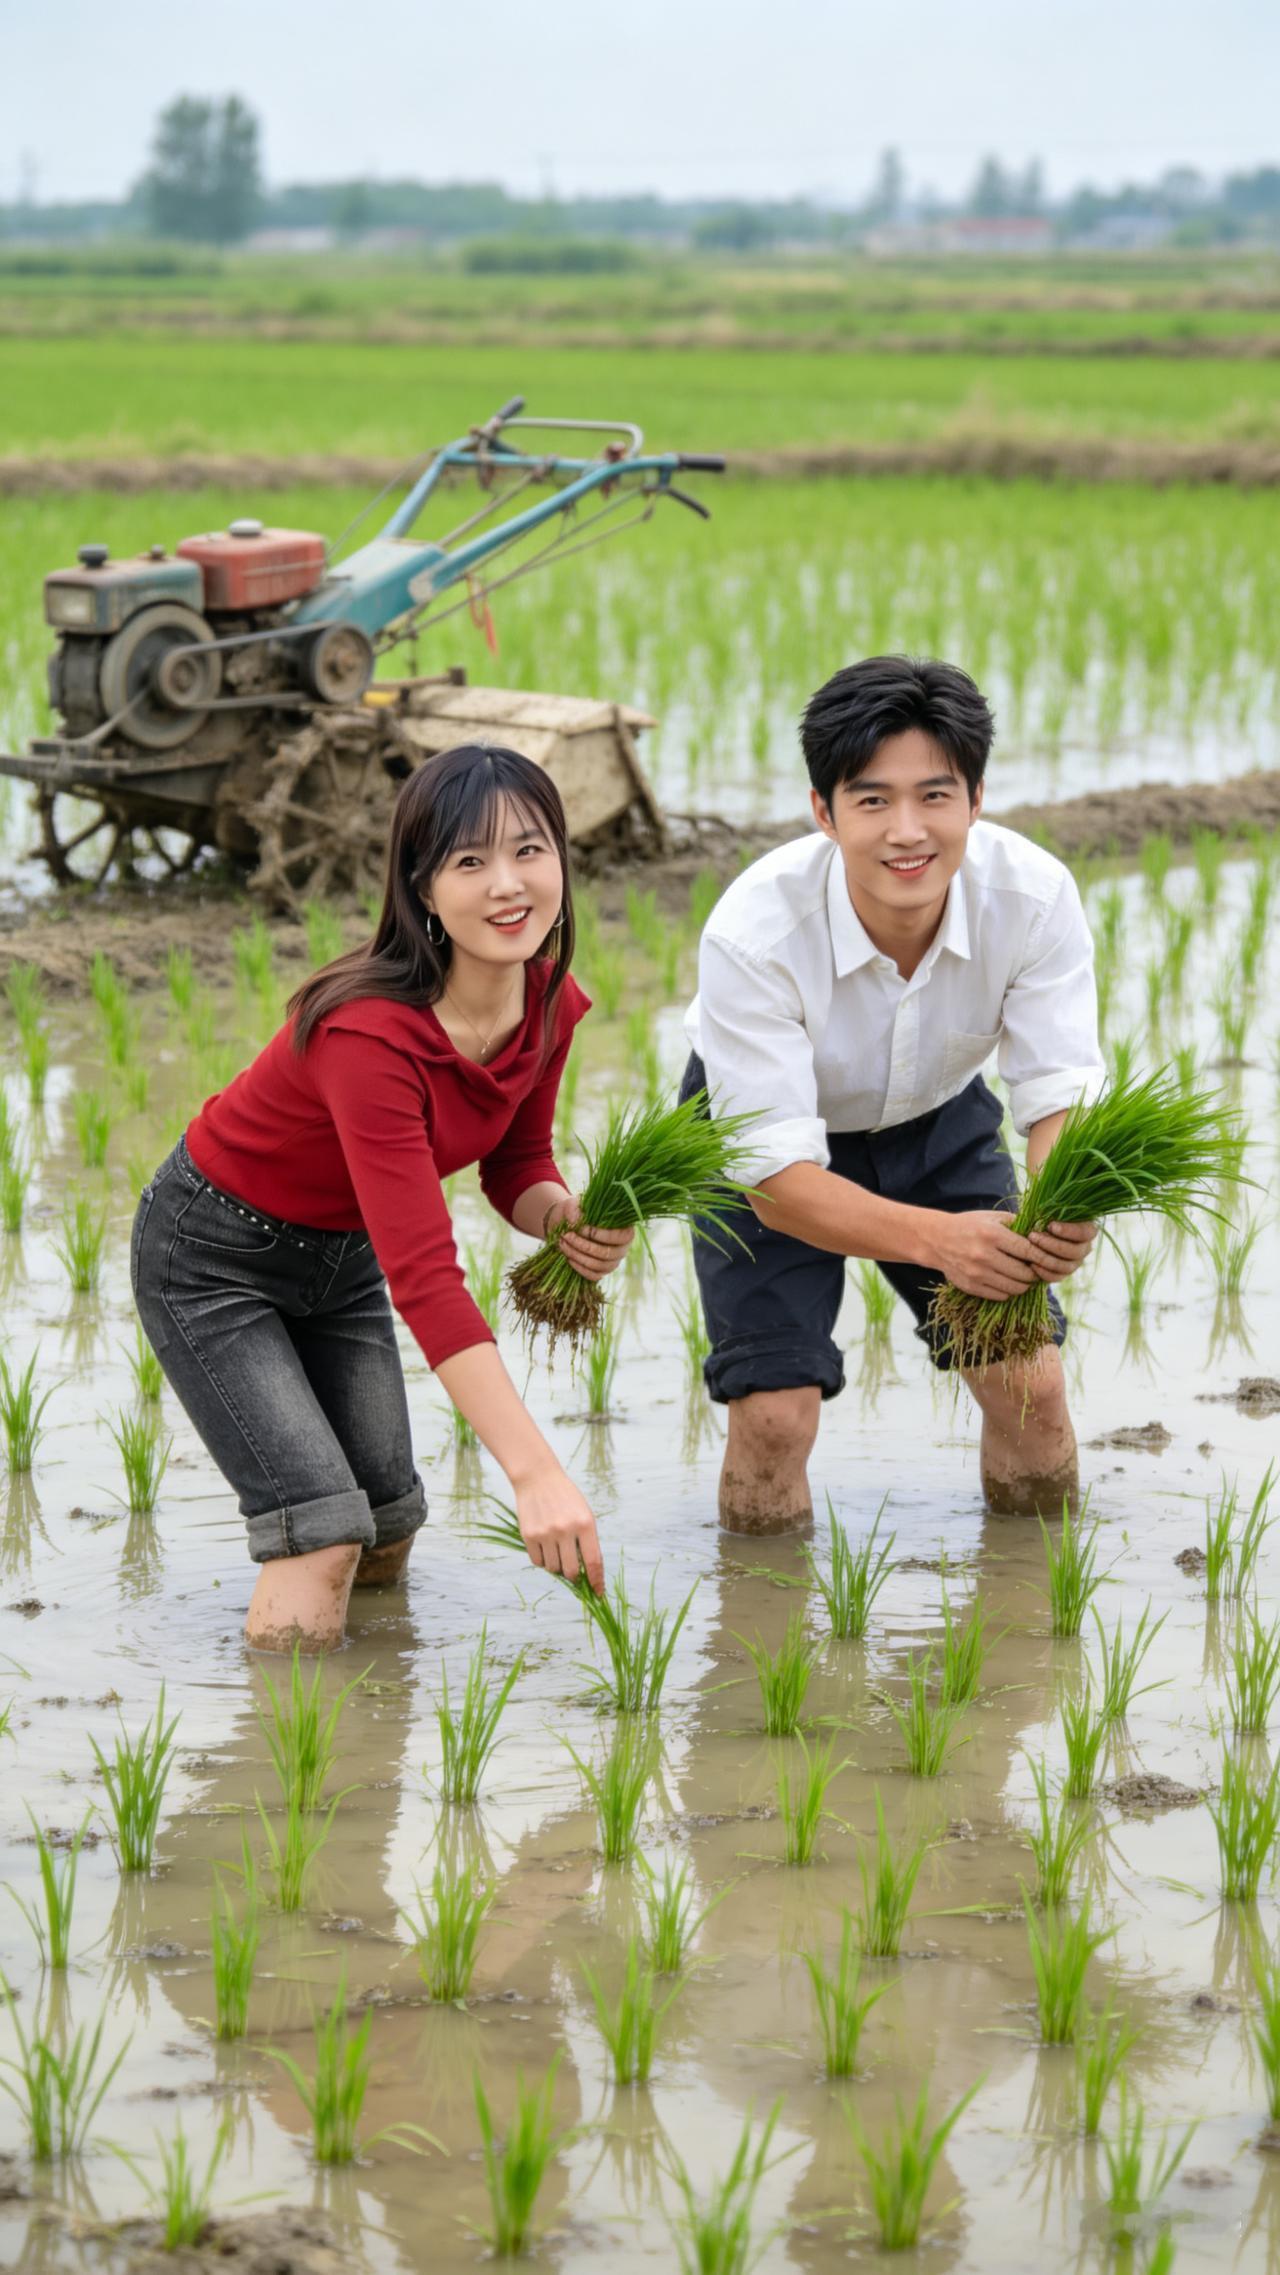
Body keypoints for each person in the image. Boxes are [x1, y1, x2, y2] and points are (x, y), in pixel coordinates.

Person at [131, 744, 631, 1653]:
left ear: (562, 854)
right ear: (422, 889)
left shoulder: (550, 1002)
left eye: (529, 849)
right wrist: (536, 1472)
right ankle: (292, 1769)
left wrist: (563, 1218)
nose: (507, 883)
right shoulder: (369, 1035)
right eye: (469, 861)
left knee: (389, 1524)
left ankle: (367, 1742)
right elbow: (427, 1277)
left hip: (340, 1253)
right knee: (321, 1531)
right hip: (212, 1258)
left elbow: (515, 1161)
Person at [681, 655, 1104, 1535]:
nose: (907, 830)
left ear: (977, 799)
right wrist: (943, 1240)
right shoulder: (756, 934)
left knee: (1029, 1383)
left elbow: (1055, 1088)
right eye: (872, 800)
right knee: (774, 1412)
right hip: (772, 1140)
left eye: (935, 795)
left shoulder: (1030, 898)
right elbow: (772, 1175)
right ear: (823, 813)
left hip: (938, 1115)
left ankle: (1037, 1612)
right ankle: (767, 1634)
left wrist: (1064, 1208)